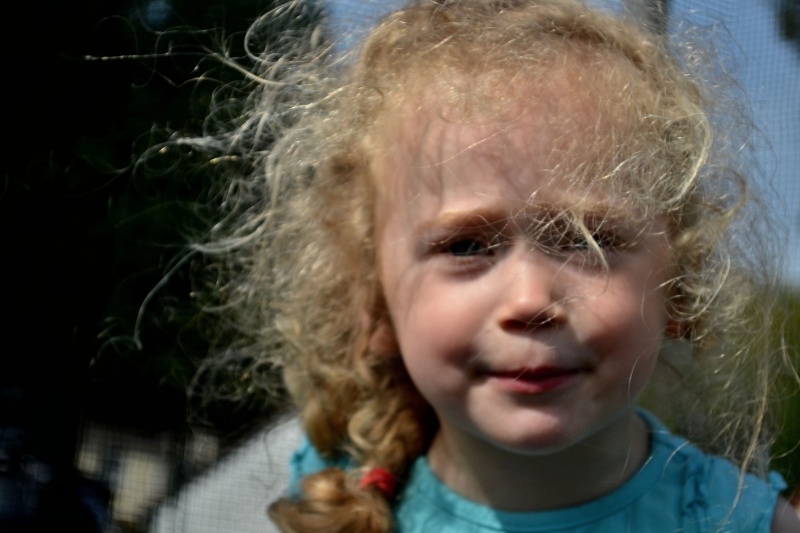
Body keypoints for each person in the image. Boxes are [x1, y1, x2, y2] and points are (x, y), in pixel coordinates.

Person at [179, 0, 800, 531]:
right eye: (466, 246)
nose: (530, 299)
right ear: (372, 297)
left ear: (679, 287)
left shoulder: (743, 523)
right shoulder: (333, 498)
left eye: (586, 238)